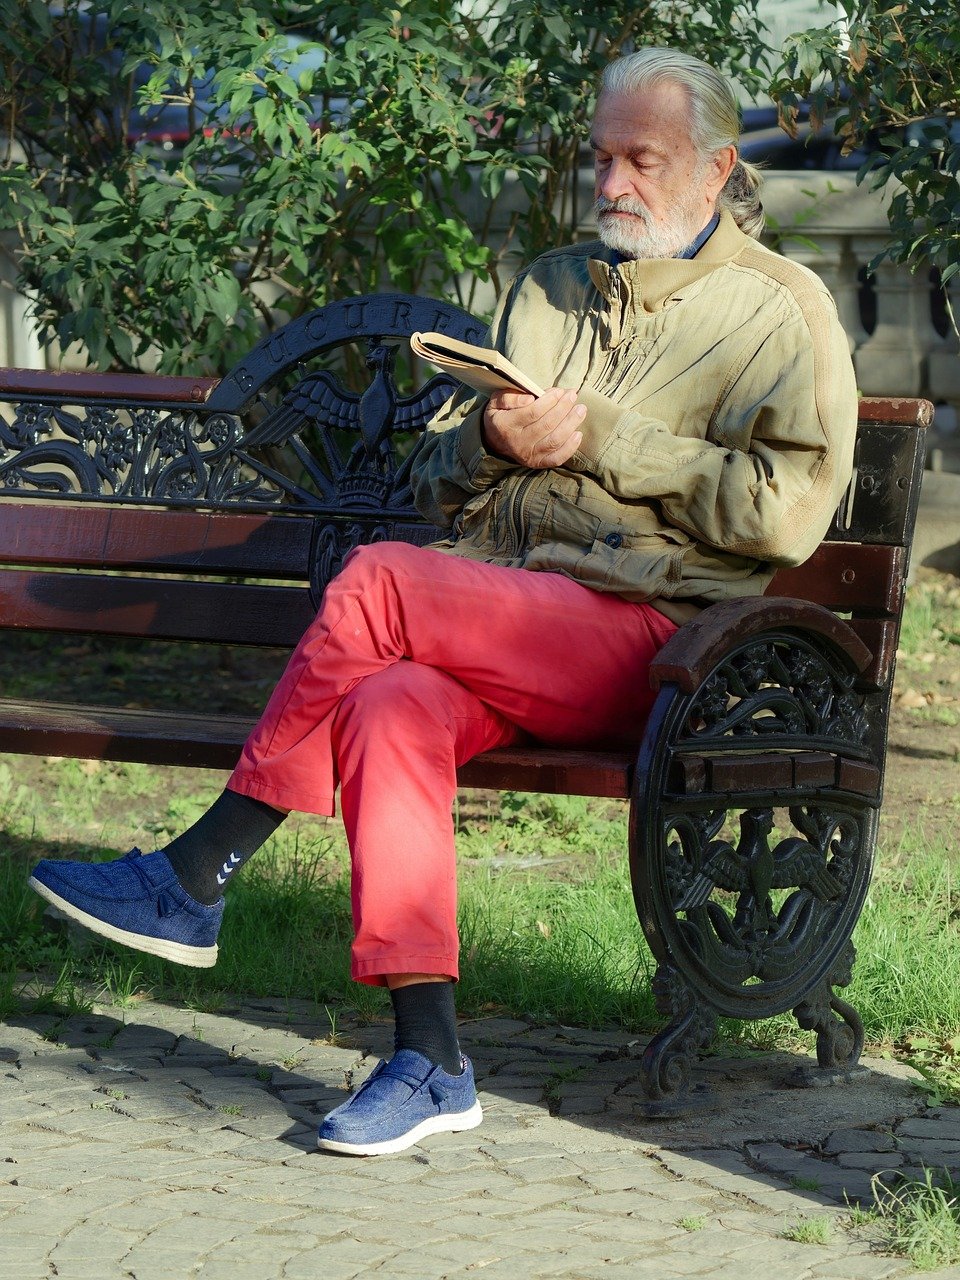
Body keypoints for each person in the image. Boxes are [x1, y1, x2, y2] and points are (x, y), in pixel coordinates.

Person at [27, 47, 858, 1157]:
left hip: (661, 646)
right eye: (600, 155)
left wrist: (608, 439)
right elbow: (439, 473)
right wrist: (485, 438)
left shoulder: (781, 312)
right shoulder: (553, 285)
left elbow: (781, 515)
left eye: (640, 160)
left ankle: (199, 869)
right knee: (391, 706)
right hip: (511, 614)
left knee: (377, 577)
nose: (610, 181)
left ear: (714, 171)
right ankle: (430, 1056)